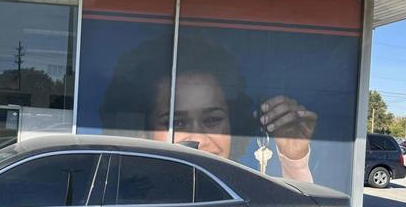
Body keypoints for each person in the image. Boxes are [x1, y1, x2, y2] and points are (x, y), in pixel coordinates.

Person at [99, 38, 317, 182]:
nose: (198, 141)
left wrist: (293, 160)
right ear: (143, 133)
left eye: (212, 119)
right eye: (177, 123)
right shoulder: (122, 203)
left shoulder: (248, 199)